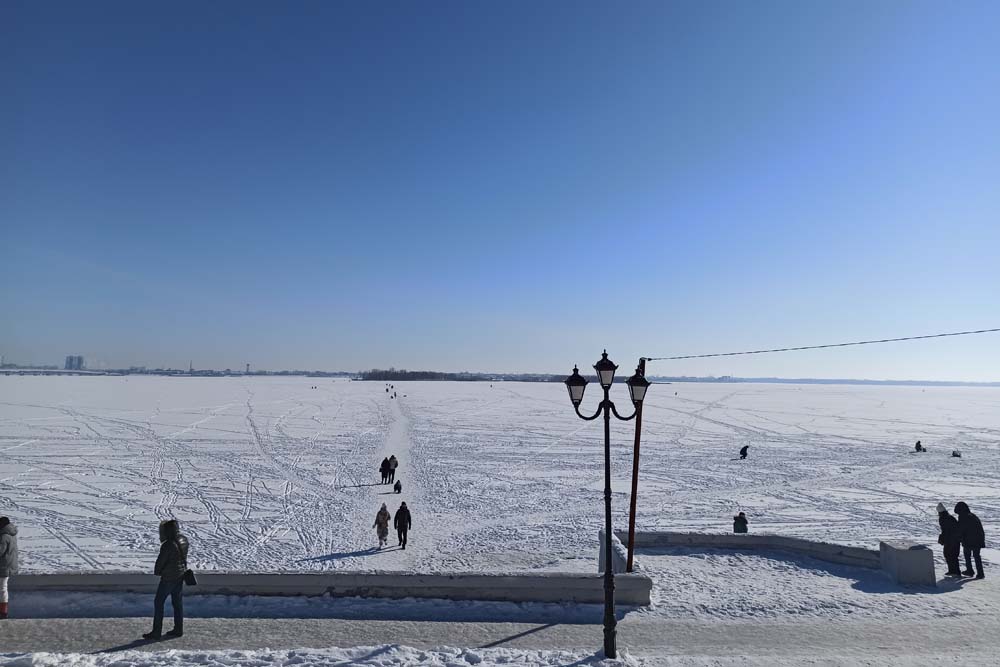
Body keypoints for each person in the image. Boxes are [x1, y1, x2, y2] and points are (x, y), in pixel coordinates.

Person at [143, 519, 189, 639]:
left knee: (159, 603)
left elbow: (160, 562)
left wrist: (158, 572)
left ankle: (156, 631)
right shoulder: (183, 539)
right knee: (177, 603)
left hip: (168, 578)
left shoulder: (168, 545)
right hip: (180, 576)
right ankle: (178, 629)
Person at [955, 502, 985, 579]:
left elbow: (961, 529)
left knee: (967, 555)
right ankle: (980, 573)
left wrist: (959, 538)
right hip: (978, 539)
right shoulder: (973, 516)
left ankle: (970, 570)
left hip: (969, 539)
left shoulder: (963, 517)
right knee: (976, 556)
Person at [0, 516, 18, 620]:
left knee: (2, 589)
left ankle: (2, 612)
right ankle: (3, 611)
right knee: (3, 588)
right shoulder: (12, 535)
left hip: (3, 566)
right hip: (8, 565)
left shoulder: (4, 536)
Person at [937, 503, 962, 576]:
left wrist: (942, 538)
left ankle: (954, 571)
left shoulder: (943, 519)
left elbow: (945, 531)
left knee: (949, 555)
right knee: (953, 555)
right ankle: (955, 571)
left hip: (950, 540)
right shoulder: (950, 517)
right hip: (955, 539)